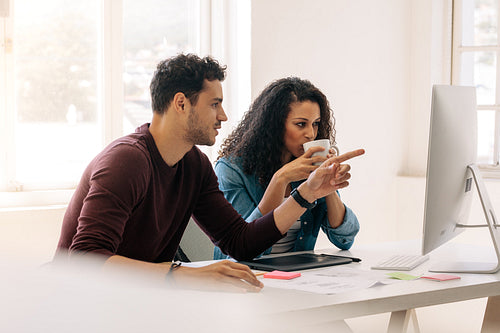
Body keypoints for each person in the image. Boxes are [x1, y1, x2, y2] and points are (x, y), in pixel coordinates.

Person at [56, 54, 364, 292]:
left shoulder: (194, 165)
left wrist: (307, 192)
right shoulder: (126, 161)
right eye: (214, 104)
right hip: (82, 304)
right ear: (181, 103)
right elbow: (87, 258)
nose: (223, 116)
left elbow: (240, 241)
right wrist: (184, 274)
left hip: (140, 299)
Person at [214, 77, 360, 260]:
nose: (311, 134)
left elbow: (345, 239)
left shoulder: (309, 168)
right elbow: (243, 247)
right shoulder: (231, 170)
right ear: (273, 125)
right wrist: (280, 179)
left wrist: (329, 184)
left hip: (296, 276)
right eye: (301, 124)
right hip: (244, 275)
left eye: (315, 123)